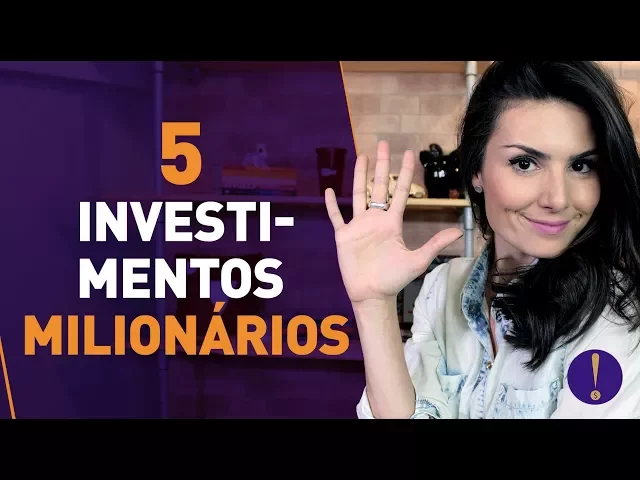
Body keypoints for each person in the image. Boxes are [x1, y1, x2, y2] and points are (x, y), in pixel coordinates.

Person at [324, 61, 640, 419]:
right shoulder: (443, 288)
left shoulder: (614, 314)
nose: (558, 199)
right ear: (475, 169)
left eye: (580, 166)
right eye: (525, 163)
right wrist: (374, 305)